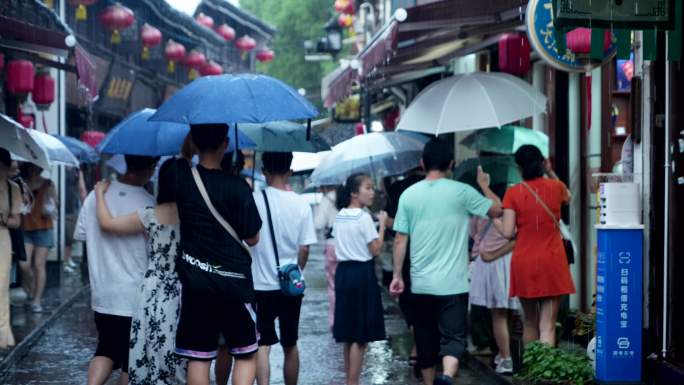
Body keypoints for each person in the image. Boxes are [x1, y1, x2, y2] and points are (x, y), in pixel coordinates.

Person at [389, 137, 503, 385]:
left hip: (420, 283)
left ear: (422, 162)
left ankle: (431, 383)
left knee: (425, 338)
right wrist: (484, 186)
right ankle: (448, 375)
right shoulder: (462, 192)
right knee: (454, 338)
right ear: (451, 164)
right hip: (454, 284)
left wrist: (398, 275)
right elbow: (497, 210)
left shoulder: (408, 195)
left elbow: (400, 239)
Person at [169, 123, 262, 385]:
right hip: (235, 284)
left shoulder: (182, 180)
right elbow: (253, 238)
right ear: (225, 144)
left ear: (194, 143)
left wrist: (191, 144)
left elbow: (182, 159)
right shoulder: (239, 187)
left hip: (196, 283)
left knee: (199, 357)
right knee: (245, 355)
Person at [93, 158, 186, 385]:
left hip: (153, 291)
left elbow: (107, 224)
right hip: (183, 290)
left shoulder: (150, 214)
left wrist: (99, 193)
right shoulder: (195, 215)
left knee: (148, 351)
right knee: (180, 354)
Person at [74, 155, 159, 385]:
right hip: (133, 295)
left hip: (102, 293)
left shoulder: (95, 196)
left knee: (106, 349)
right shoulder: (149, 202)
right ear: (150, 168)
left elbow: (81, 234)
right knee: (131, 358)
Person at [497, 145, 575, 347]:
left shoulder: (513, 193)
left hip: (525, 262)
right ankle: (544, 373)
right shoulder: (555, 187)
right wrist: (549, 170)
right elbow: (569, 195)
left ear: (519, 167)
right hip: (552, 261)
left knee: (529, 322)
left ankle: (531, 371)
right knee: (547, 325)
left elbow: (507, 233)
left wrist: (494, 220)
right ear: (542, 162)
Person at [250, 152, 317, 385]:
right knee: (290, 344)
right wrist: (296, 270)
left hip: (260, 284)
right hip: (290, 286)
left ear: (263, 171)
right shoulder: (301, 204)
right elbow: (305, 248)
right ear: (290, 171)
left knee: (262, 344)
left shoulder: (254, 200)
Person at [333, 173, 387, 385]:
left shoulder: (340, 216)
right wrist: (382, 224)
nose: (372, 192)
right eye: (368, 188)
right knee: (359, 335)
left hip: (344, 273)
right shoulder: (363, 217)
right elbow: (375, 250)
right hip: (361, 273)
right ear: (354, 193)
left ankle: (350, 380)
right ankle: (353, 382)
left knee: (348, 332)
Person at [468, 184, 518, 374]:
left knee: (497, 314)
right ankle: (503, 353)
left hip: (491, 263)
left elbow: (473, 233)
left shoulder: (481, 212)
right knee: (509, 312)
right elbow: (516, 237)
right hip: (510, 261)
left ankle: (506, 358)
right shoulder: (513, 211)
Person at [384, 170, 423, 374]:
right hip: (432, 250)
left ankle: (419, 344)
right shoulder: (434, 187)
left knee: (410, 300)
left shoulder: (397, 188)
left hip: (406, 253)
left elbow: (392, 225)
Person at [19, 163, 57, 312]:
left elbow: (55, 205)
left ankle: (36, 301)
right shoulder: (22, 184)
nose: (34, 170)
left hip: (44, 228)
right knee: (24, 265)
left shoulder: (48, 184)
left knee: (39, 265)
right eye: (31, 167)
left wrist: (50, 200)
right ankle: (32, 288)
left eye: (36, 167)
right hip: (26, 228)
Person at [0, 149, 21, 348]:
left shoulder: (12, 188)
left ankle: (2, 335)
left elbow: (16, 221)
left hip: (2, 239)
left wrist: (4, 219)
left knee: (1, 286)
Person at [313, 185, 337, 332]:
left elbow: (318, 224)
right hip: (351, 246)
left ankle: (335, 321)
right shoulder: (349, 195)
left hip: (333, 245)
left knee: (333, 286)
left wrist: (318, 210)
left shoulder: (327, 199)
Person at [64, 167, 87, 273]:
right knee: (68, 237)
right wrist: (86, 205)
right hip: (70, 208)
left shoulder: (65, 169)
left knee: (68, 238)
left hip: (63, 207)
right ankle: (66, 261)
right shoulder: (76, 171)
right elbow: (82, 190)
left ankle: (68, 259)